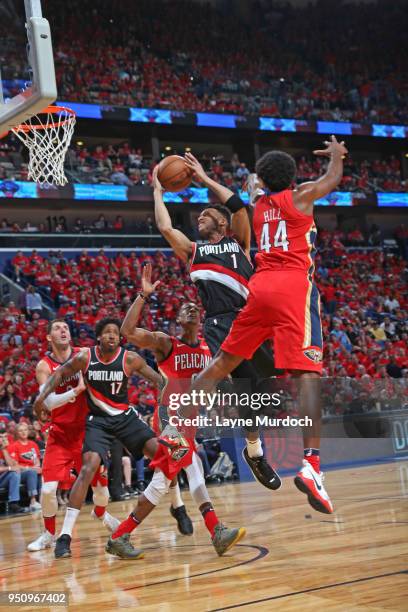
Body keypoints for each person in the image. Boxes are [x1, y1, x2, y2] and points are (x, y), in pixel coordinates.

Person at [182, 136, 349, 515]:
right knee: (308, 373)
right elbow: (332, 179)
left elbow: (236, 196)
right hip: (292, 286)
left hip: (259, 288)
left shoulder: (257, 205)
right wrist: (337, 154)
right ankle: (312, 465)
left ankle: (180, 418)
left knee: (223, 362)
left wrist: (207, 178)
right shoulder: (301, 196)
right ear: (292, 178)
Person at [153, 155, 282, 491]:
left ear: (222, 224)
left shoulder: (239, 241)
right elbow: (166, 228)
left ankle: (254, 452)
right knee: (221, 382)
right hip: (219, 325)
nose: (200, 218)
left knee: (256, 398)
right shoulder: (193, 250)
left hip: (252, 320)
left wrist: (203, 177)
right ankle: (176, 423)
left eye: (207, 215)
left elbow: (239, 206)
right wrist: (157, 191)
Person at [105, 267, 245, 557]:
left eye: (195, 307)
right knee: (165, 479)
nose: (191, 309)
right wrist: (144, 295)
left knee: (191, 473)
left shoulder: (210, 350)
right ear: (178, 320)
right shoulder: (166, 343)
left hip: (190, 423)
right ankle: (121, 536)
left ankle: (215, 531)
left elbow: (221, 381)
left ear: (201, 319)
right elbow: (128, 332)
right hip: (170, 419)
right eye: (185, 308)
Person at [28, 318, 119, 552]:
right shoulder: (44, 366)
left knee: (102, 491)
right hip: (60, 433)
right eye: (57, 328)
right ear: (49, 337)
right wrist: (76, 391)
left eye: (66, 328)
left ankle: (100, 512)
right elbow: (48, 402)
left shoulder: (84, 355)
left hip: (89, 432)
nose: (63, 330)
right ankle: (49, 533)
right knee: (48, 490)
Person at [9, 422, 42, 511]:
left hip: (32, 470)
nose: (23, 432)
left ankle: (43, 499)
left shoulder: (33, 444)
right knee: (31, 472)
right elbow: (15, 465)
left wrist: (37, 467)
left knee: (43, 471)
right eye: (20, 431)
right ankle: (33, 501)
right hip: (21, 473)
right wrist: (31, 468)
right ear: (17, 433)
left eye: (25, 430)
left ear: (28, 431)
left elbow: (37, 460)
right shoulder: (14, 446)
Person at [0, 427, 28, 514]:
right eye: (1, 437)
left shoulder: (5, 449)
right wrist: (9, 468)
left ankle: (13, 503)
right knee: (13, 472)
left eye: (5, 437)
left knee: (14, 474)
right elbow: (10, 467)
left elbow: (12, 466)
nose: (4, 439)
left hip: (3, 478)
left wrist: (4, 449)